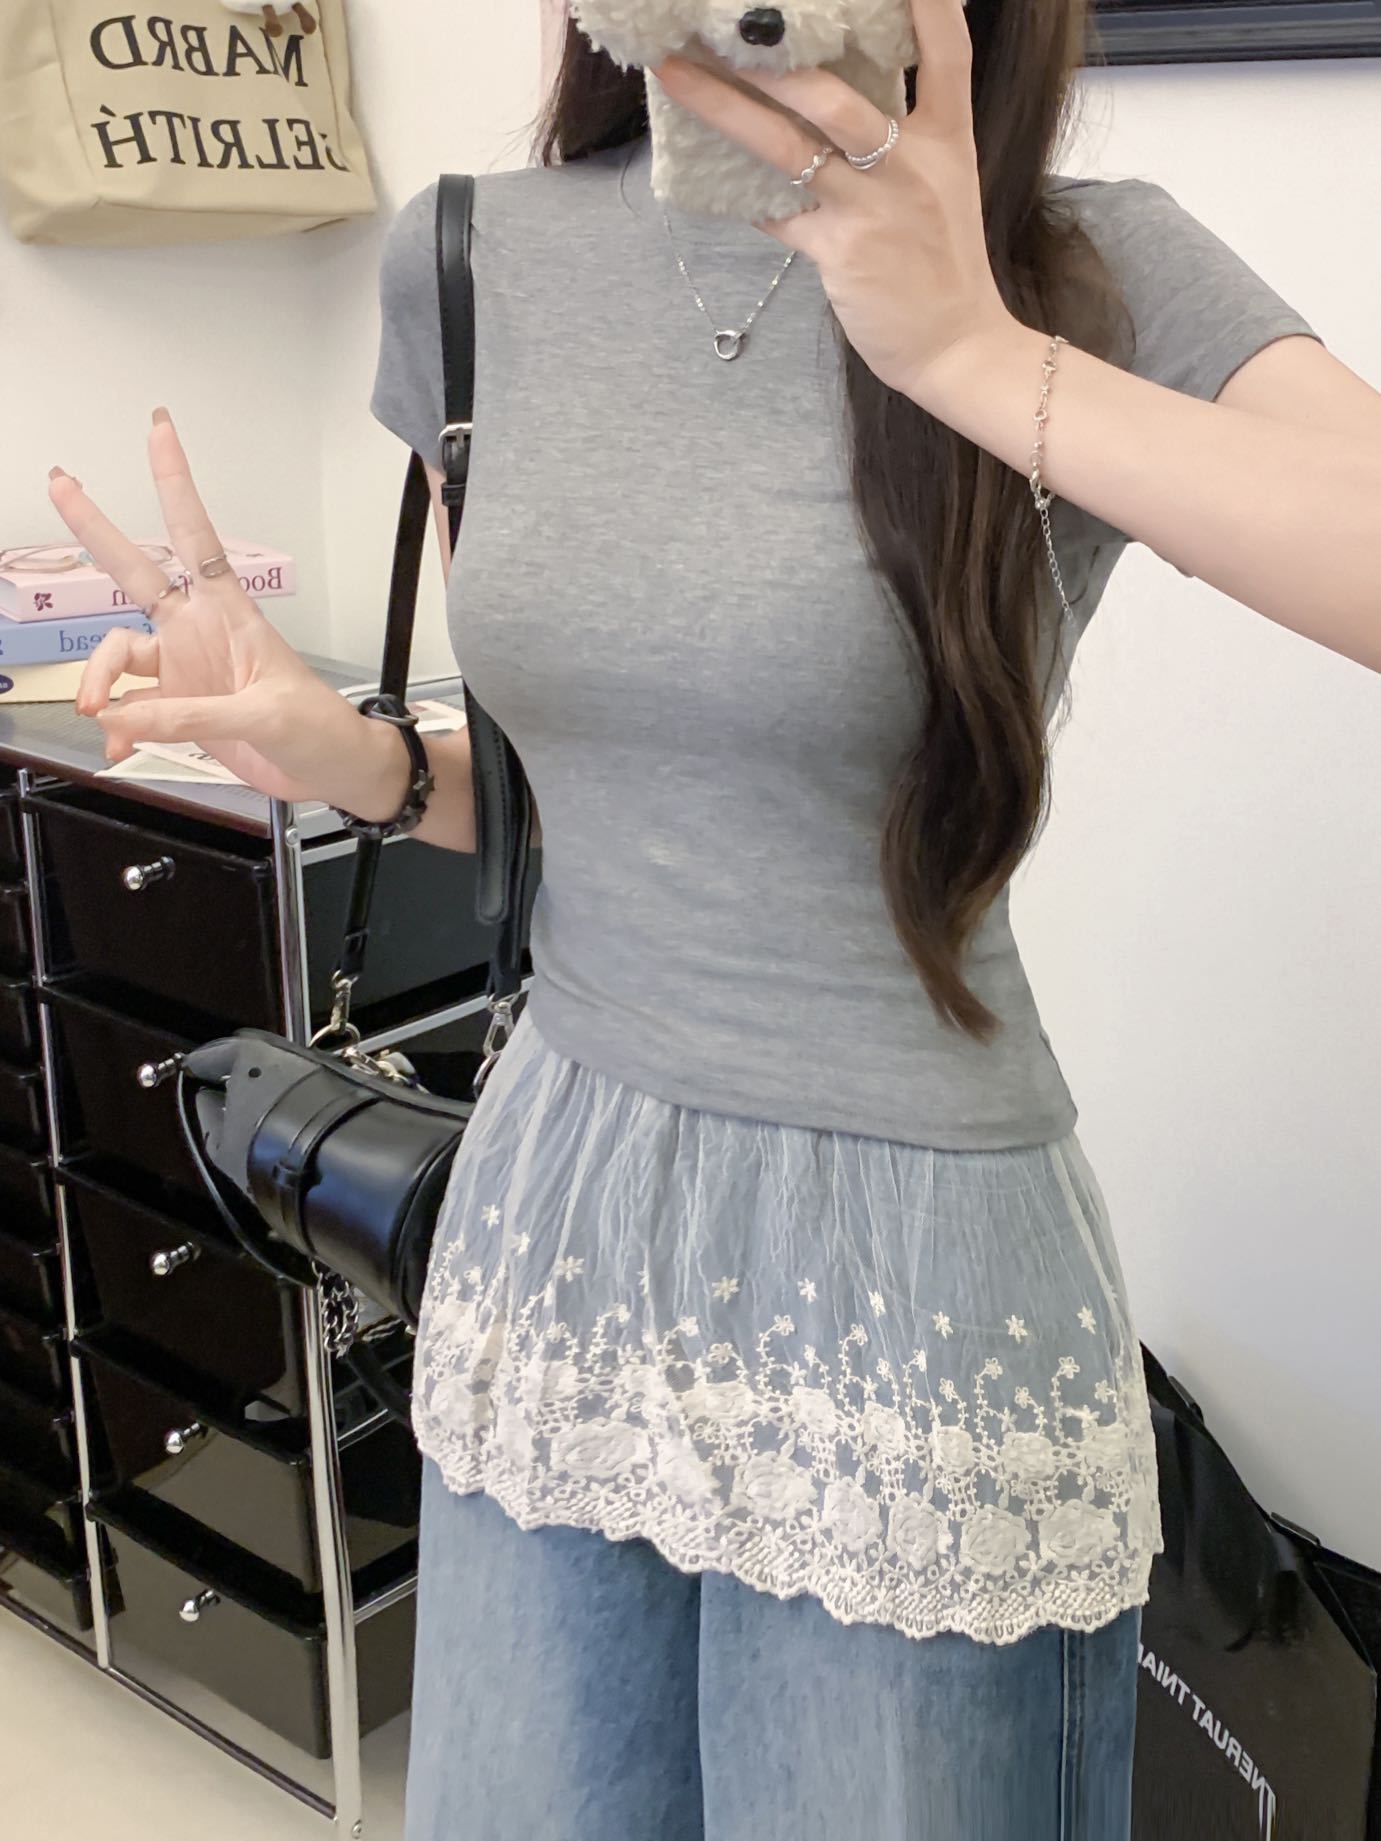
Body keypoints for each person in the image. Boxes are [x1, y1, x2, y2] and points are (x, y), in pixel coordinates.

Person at [46, 3, 1378, 1835]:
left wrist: (969, 352)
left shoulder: (1076, 264)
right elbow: (579, 788)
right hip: (562, 1208)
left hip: (910, 1266)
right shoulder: (474, 260)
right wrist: (353, 755)